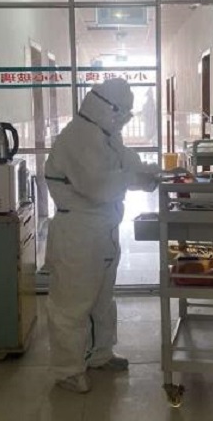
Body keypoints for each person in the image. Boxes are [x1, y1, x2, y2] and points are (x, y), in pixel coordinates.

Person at [44, 78, 160, 394]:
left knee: (101, 299)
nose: (125, 119)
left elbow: (127, 165)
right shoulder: (77, 138)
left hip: (103, 229)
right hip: (78, 233)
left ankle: (100, 354)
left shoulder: (107, 136)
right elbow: (99, 186)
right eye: (121, 112)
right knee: (72, 304)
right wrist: (138, 177)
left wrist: (152, 174)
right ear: (105, 107)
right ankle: (68, 370)